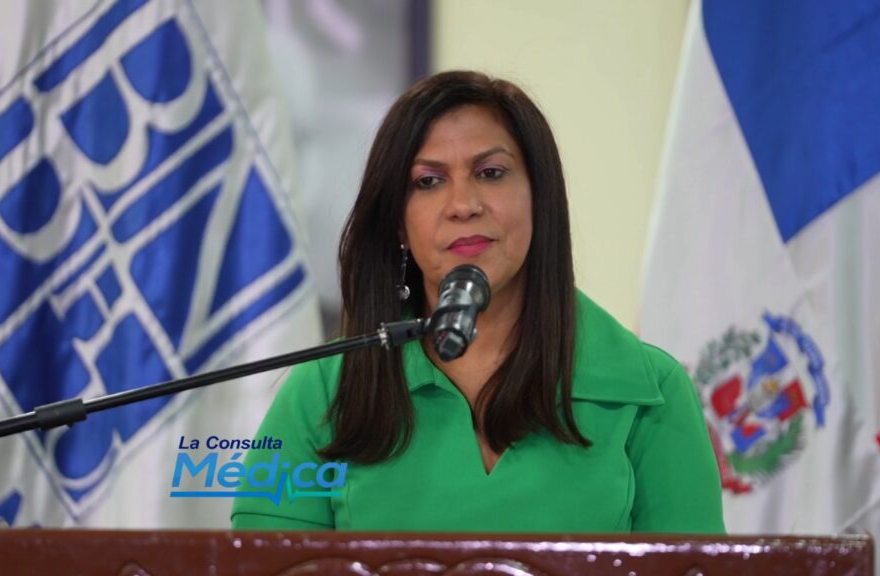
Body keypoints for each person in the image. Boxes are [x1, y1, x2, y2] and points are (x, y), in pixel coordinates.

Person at [230, 70, 724, 533]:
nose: (463, 205)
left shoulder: (649, 392)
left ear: (540, 198)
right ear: (399, 223)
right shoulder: (323, 391)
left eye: (490, 172)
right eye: (428, 181)